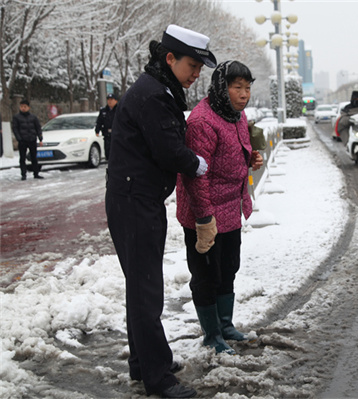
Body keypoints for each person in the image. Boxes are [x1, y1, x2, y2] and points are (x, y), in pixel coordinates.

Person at [105, 24, 217, 399]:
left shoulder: (158, 87)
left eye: (200, 67)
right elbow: (168, 149)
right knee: (147, 290)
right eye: (192, 65)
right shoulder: (153, 95)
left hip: (137, 199)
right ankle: (157, 379)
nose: (197, 73)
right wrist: (197, 163)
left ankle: (144, 363)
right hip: (134, 202)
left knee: (140, 287)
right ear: (169, 59)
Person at [176, 60, 264, 355]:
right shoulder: (202, 121)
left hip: (230, 210)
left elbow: (236, 151)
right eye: (237, 87)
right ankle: (212, 334)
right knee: (206, 276)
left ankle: (226, 326)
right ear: (221, 88)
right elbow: (196, 174)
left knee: (228, 269)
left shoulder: (236, 115)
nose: (244, 94)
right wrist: (203, 219)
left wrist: (250, 159)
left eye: (247, 88)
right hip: (206, 212)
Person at [12, 100, 43, 180]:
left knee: (34, 157)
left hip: (32, 139)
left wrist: (40, 138)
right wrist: (19, 138)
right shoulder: (16, 117)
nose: (23, 108)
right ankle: (23, 174)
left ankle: (36, 173)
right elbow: (15, 128)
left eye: (25, 107)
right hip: (22, 140)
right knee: (22, 158)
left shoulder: (33, 117)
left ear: (28, 107)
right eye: (22, 106)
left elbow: (38, 127)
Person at [95, 93, 118, 160]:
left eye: (111, 99)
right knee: (108, 152)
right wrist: (97, 130)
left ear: (116, 101)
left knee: (117, 152)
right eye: (108, 100)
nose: (109, 101)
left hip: (117, 135)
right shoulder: (103, 111)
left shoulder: (119, 110)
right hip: (107, 135)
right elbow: (99, 121)